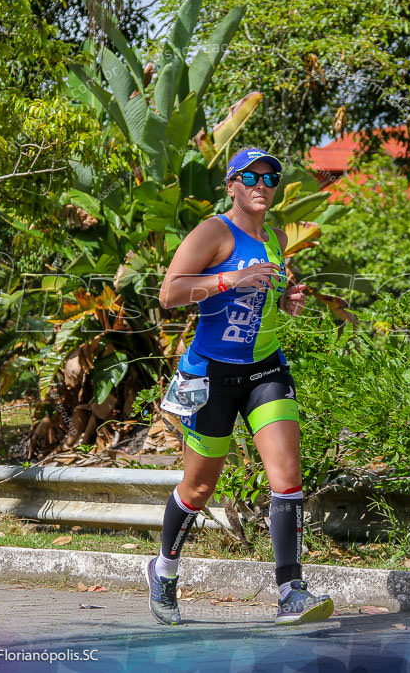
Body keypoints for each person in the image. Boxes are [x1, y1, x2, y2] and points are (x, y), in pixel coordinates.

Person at [145, 147, 334, 626]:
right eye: (250, 176)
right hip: (211, 375)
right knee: (200, 485)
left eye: (271, 177)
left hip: (266, 371)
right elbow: (170, 293)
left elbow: (261, 301)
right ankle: (164, 568)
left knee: (287, 476)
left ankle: (291, 590)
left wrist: (285, 301)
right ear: (231, 185)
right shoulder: (214, 231)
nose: (262, 184)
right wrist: (234, 278)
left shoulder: (274, 235)